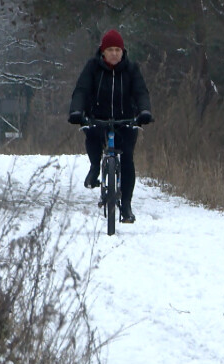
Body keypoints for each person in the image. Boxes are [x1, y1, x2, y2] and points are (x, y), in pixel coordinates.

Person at [68, 29, 153, 223]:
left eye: (117, 49)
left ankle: (126, 206)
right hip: (98, 117)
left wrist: (144, 112)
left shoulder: (131, 69)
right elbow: (81, 90)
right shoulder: (92, 67)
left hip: (126, 120)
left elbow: (141, 92)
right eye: (110, 49)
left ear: (123, 51)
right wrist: (76, 112)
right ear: (103, 51)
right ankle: (95, 167)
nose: (114, 53)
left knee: (127, 159)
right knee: (92, 136)